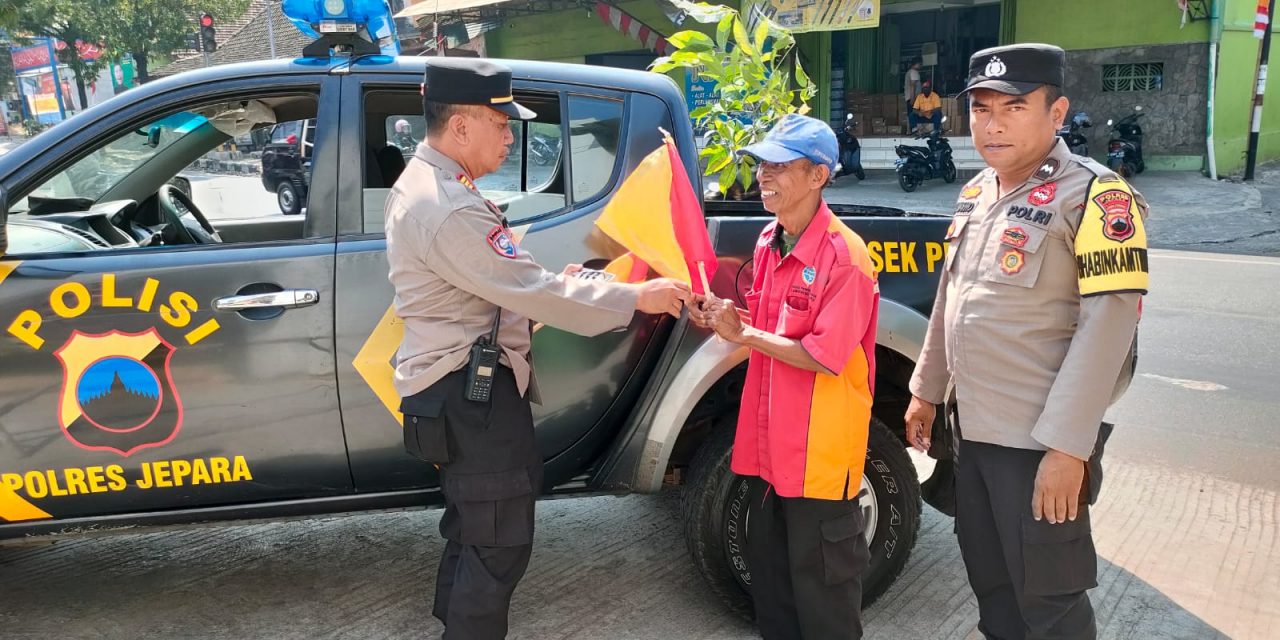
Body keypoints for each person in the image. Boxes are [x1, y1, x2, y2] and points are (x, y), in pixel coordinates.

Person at [384, 58, 691, 639]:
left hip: (456, 395)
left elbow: (498, 284)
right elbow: (529, 290)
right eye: (503, 125)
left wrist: (567, 283)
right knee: (496, 544)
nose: (510, 137)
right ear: (463, 126)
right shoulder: (446, 203)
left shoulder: (435, 186)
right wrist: (636, 296)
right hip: (469, 398)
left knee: (476, 534)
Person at [904, 44, 1149, 640]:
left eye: (1014, 107)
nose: (992, 123)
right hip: (973, 436)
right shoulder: (976, 194)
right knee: (992, 589)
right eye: (981, 108)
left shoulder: (1096, 196)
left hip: (1038, 443)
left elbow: (1109, 328)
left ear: (1057, 111)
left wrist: (1068, 448)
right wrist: (926, 390)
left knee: (1051, 604)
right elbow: (951, 300)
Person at [691, 113, 880, 640]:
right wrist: (725, 317)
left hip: (818, 456)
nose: (763, 177)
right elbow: (771, 329)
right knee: (773, 590)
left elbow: (822, 356)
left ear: (819, 175)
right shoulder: (770, 240)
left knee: (823, 596)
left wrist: (742, 335)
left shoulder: (845, 258)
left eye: (779, 166)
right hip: (771, 449)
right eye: (761, 165)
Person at [904, 56, 923, 127]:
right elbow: (912, 86)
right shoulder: (914, 72)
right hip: (914, 98)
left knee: (911, 114)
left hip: (911, 97)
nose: (921, 66)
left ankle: (910, 130)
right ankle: (914, 129)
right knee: (914, 114)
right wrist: (913, 99)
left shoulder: (909, 72)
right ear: (917, 64)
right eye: (921, 64)